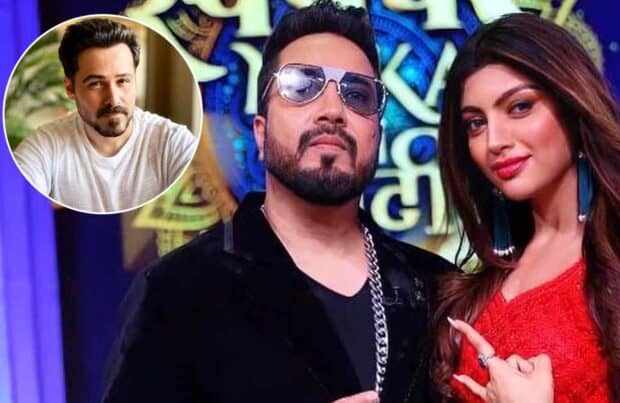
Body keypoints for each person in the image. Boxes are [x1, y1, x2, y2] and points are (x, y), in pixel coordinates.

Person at [102, 1, 452, 402]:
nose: (333, 110)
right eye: (302, 87)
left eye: (357, 94)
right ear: (260, 132)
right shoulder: (179, 289)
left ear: (378, 135)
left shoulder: (437, 289)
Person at [432, 13, 620, 403]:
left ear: (573, 106)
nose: (494, 141)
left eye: (519, 107)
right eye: (475, 124)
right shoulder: (477, 292)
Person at [13, 17, 197, 213]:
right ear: (70, 88)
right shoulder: (44, 147)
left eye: (122, 81)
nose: (113, 99)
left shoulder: (173, 142)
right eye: (96, 84)